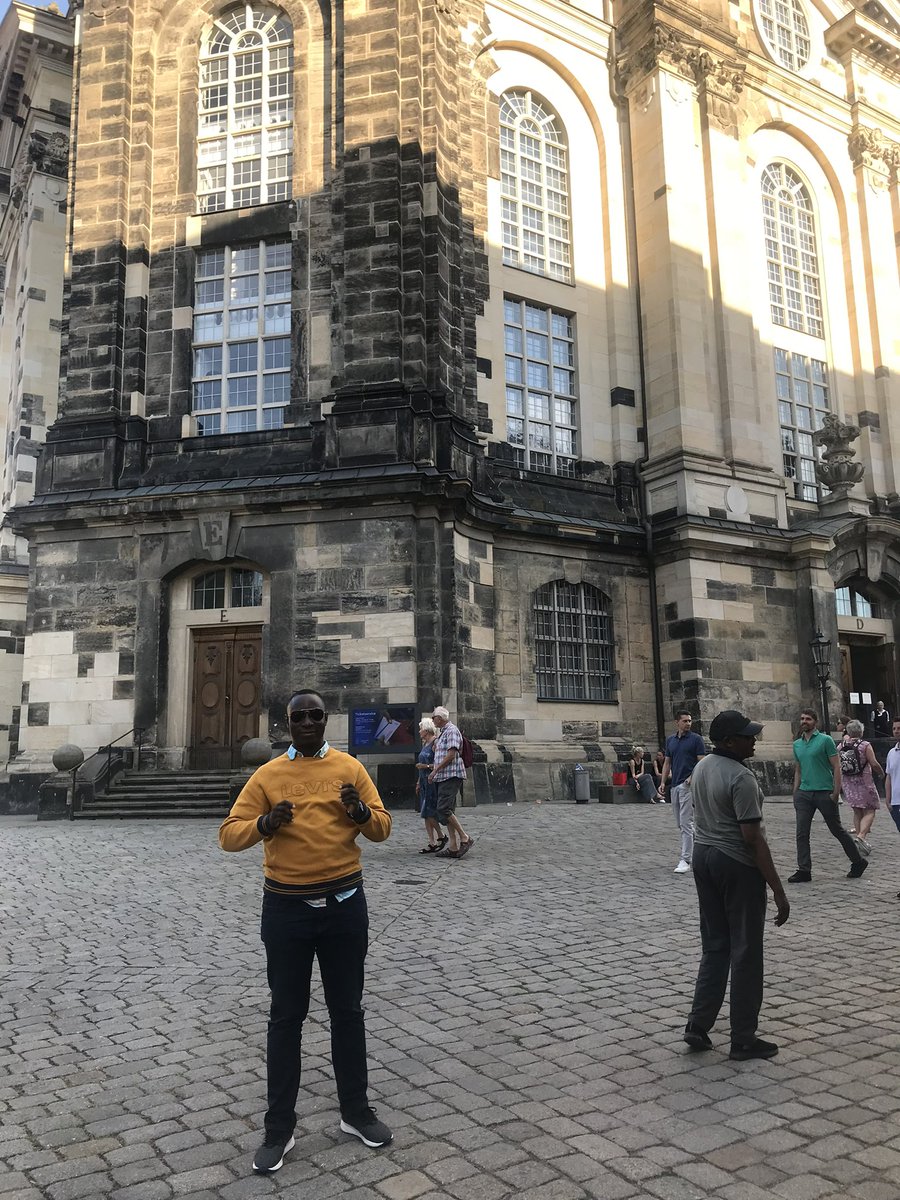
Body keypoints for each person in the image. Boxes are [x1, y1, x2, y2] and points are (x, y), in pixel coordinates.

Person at [219, 690, 393, 1174]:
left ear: (326, 720)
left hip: (344, 906)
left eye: (318, 715)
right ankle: (279, 1129)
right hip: (287, 910)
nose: (310, 723)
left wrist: (360, 814)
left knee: (347, 1012)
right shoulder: (268, 775)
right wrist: (264, 823)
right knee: (286, 1017)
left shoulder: (350, 769)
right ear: (287, 723)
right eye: (301, 716)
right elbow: (229, 835)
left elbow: (382, 827)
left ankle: (356, 1114)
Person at [683, 709, 789, 1061]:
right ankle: (743, 1038)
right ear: (729, 741)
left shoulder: (702, 767)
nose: (754, 740)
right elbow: (751, 838)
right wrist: (777, 888)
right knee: (746, 951)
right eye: (747, 736)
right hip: (735, 864)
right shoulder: (742, 778)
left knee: (715, 945)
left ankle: (698, 1025)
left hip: (703, 855)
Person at [789, 708, 868, 882]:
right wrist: (795, 792)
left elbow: (836, 766)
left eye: (808, 719)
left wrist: (835, 792)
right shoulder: (797, 744)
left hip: (824, 792)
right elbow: (798, 769)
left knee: (837, 830)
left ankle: (858, 861)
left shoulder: (825, 740)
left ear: (815, 722)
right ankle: (804, 869)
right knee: (801, 833)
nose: (804, 721)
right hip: (804, 793)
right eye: (802, 718)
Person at [659, 710, 706, 873]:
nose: (688, 723)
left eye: (690, 721)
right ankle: (703, 846)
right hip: (675, 785)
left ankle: (685, 859)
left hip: (688, 786)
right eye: (685, 721)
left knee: (686, 823)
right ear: (677, 722)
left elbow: (702, 763)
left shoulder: (696, 740)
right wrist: (663, 782)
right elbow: (667, 762)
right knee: (681, 823)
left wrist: (692, 778)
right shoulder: (671, 740)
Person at [429, 705, 475, 859]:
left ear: (440, 718)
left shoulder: (452, 730)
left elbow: (451, 755)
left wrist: (435, 770)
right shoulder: (443, 732)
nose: (432, 719)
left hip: (451, 775)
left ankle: (465, 837)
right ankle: (453, 847)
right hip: (444, 776)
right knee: (448, 810)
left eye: (433, 716)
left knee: (443, 809)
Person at [840, 719, 884, 854]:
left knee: (857, 811)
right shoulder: (865, 745)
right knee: (871, 809)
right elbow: (874, 763)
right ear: (861, 731)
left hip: (848, 783)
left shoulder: (840, 746)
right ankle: (861, 836)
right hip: (864, 782)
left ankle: (860, 844)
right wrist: (882, 773)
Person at [415, 717, 446, 853]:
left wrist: (425, 765)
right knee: (425, 814)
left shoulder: (435, 743)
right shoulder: (425, 744)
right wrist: (418, 782)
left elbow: (440, 763)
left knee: (428, 812)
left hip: (431, 781)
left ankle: (441, 836)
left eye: (421, 729)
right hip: (423, 781)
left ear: (427, 730)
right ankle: (432, 842)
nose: (419, 731)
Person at [884, 719, 900, 898]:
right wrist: (888, 800)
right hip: (896, 803)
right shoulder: (891, 753)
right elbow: (889, 776)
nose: (896, 731)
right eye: (894, 729)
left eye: (899, 728)